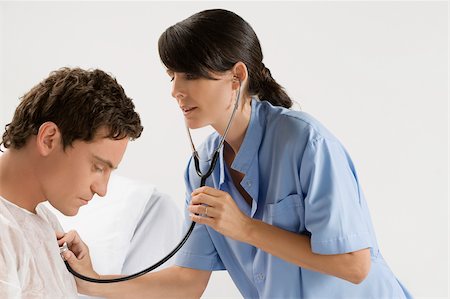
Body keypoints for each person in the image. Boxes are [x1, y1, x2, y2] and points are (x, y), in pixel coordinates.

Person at [63, 9, 412, 298]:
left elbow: (354, 264)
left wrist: (244, 227)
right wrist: (94, 280)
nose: (175, 90)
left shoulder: (305, 142)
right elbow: (187, 283)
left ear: (237, 76)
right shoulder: (201, 168)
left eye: (190, 75)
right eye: (172, 75)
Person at [0, 67, 143, 298]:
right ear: (49, 139)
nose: (102, 189)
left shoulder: (47, 224)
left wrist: (89, 280)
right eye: (98, 167)